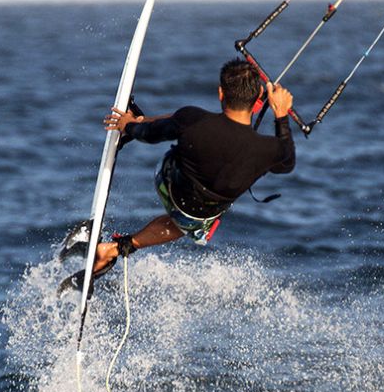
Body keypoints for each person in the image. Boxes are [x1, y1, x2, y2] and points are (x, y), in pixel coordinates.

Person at [92, 58, 297, 275]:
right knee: (191, 222)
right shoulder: (269, 150)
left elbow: (149, 136)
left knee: (183, 119)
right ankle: (119, 248)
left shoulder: (193, 119)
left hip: (167, 184)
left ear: (221, 93)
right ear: (258, 101)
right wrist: (281, 115)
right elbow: (288, 162)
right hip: (195, 216)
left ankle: (140, 119)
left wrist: (129, 126)